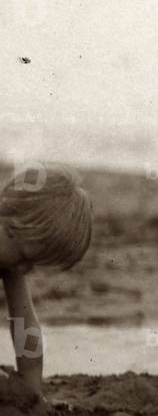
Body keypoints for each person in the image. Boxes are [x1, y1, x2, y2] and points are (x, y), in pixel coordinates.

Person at [0, 163, 93, 398]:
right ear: (9, 224)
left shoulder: (9, 256)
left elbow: (24, 324)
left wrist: (31, 385)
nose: (23, 269)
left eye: (32, 265)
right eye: (24, 257)